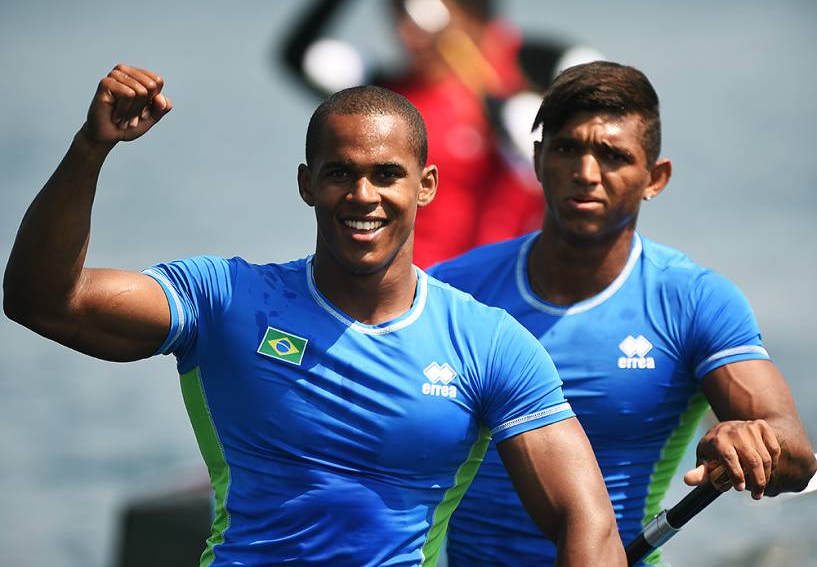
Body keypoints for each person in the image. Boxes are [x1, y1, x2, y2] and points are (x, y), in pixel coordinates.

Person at [3, 64, 626, 566]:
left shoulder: (489, 345)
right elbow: (42, 301)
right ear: (307, 184)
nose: (363, 196)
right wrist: (91, 149)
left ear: (426, 185)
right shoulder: (223, 301)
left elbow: (586, 522)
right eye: (340, 174)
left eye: (387, 175)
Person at [428, 61, 817, 566]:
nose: (586, 173)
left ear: (655, 178)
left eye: (612, 156)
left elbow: (798, 456)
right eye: (568, 148)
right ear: (539, 158)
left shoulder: (692, 301)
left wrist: (754, 441)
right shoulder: (453, 289)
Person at [280, 0, 602, 268]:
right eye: (401, 20)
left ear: (476, 22)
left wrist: (537, 117)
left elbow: (603, 92)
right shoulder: (386, 95)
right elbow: (299, 55)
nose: (407, 35)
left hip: (501, 283)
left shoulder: (521, 65)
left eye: (422, 23)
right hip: (414, 285)